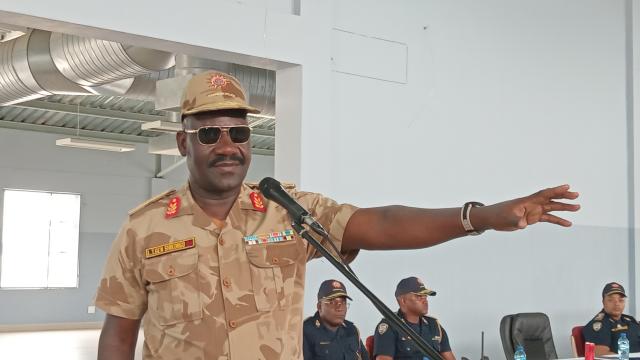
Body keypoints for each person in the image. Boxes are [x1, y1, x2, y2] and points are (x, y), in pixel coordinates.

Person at [95, 70, 580, 360]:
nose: (227, 146)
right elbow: (120, 333)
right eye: (209, 134)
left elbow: (383, 223)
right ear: (183, 143)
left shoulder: (287, 210)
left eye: (238, 134)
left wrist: (481, 216)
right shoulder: (145, 226)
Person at [372, 277, 454, 360]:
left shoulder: (434, 325)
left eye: (425, 297)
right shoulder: (390, 325)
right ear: (403, 301)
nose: (425, 301)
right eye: (419, 297)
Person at [303, 279, 369, 359]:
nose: (339, 308)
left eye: (343, 302)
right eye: (332, 302)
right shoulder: (305, 330)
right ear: (319, 306)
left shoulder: (352, 330)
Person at [583, 282, 640, 355]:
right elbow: (601, 354)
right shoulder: (598, 325)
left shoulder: (630, 320)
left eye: (621, 300)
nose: (617, 304)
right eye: (611, 300)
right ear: (603, 302)